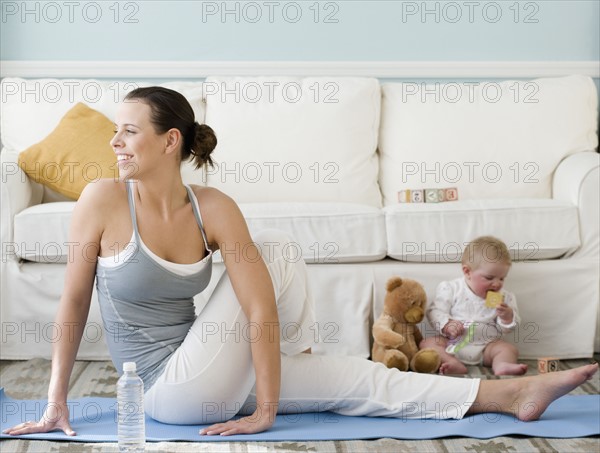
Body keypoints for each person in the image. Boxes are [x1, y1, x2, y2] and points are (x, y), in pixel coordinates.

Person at [3, 87, 597, 438]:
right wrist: (56, 400)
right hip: (165, 392)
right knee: (276, 254)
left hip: (216, 371)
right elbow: (75, 301)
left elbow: (259, 302)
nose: (115, 144)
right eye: (116, 132)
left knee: (364, 380)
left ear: (170, 142)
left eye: (128, 132)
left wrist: (270, 396)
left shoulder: (211, 206)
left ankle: (513, 397)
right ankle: (289, 366)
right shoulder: (103, 201)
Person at [421, 236, 529, 376]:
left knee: (508, 349)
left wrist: (507, 317)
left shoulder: (505, 297)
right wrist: (447, 324)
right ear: (467, 272)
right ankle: (452, 363)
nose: (496, 284)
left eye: (502, 278)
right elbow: (434, 311)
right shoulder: (452, 288)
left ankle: (502, 365)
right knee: (427, 343)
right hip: (452, 344)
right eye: (489, 278)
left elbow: (507, 329)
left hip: (486, 347)